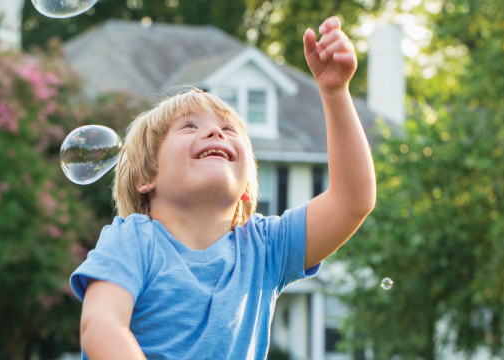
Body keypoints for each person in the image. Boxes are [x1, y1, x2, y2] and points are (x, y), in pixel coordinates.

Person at [69, 15, 376, 360]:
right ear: (146, 176)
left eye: (229, 130)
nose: (216, 132)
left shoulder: (263, 249)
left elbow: (353, 201)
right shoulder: (135, 240)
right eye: (189, 126)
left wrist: (335, 92)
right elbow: (101, 324)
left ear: (246, 187)